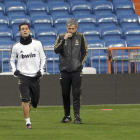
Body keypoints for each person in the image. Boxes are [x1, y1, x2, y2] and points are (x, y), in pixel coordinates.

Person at [9, 22, 46, 129]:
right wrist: (15, 71)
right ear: (20, 31)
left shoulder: (37, 44)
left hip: (35, 76)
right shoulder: (16, 46)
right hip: (23, 76)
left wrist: (41, 70)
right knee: (24, 99)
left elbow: (43, 58)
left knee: (35, 101)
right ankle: (28, 123)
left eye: (26, 28)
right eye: (22, 29)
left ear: (29, 30)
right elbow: (11, 61)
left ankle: (32, 105)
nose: (24, 30)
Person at [54, 19, 88, 124]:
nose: (71, 30)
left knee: (76, 94)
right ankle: (67, 116)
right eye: (69, 28)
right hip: (64, 71)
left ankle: (77, 117)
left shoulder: (81, 37)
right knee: (65, 94)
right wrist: (63, 40)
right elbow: (56, 50)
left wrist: (79, 63)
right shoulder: (60, 36)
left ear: (76, 28)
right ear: (66, 28)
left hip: (76, 71)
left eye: (73, 28)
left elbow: (85, 52)